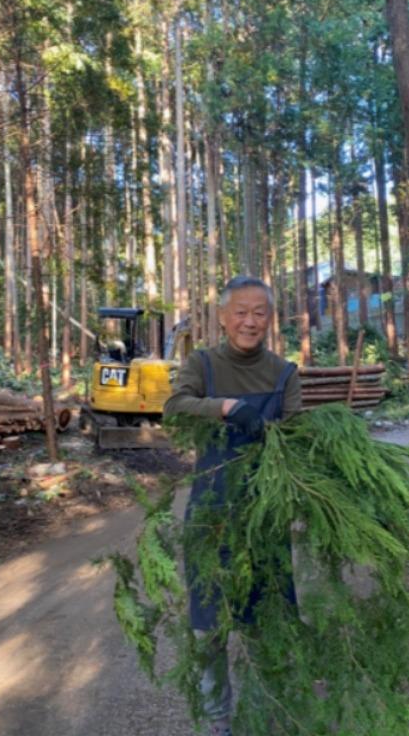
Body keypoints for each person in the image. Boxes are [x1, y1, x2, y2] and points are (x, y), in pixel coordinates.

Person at [164, 275, 302, 736]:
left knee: (269, 619)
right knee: (209, 625)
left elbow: (297, 438)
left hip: (265, 518)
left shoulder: (284, 374)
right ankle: (217, 720)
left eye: (259, 312)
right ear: (223, 318)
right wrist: (223, 407)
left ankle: (269, 710)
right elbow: (175, 406)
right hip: (211, 515)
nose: (250, 321)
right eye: (240, 312)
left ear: (270, 318)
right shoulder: (202, 365)